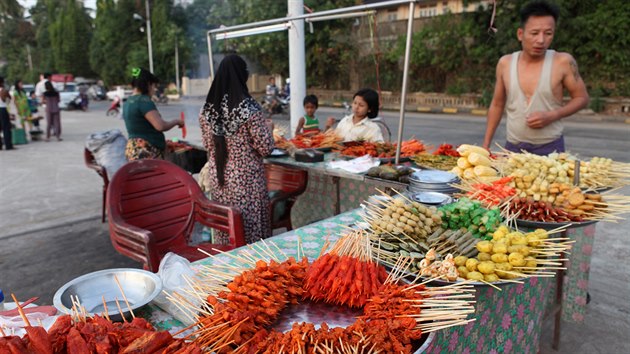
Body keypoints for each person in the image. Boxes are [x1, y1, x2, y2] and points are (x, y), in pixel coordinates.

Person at [482, 0, 589, 155]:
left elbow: (581, 98)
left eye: (548, 33)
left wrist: (552, 115)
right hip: (513, 149)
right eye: (534, 33)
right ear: (520, 34)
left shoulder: (563, 62)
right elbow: (497, 104)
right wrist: (485, 145)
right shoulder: (505, 63)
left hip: (551, 149)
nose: (541, 40)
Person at [199, 54, 274, 244]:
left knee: (227, 230)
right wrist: (269, 130)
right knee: (251, 232)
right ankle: (252, 269)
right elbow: (265, 148)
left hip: (221, 178)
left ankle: (228, 266)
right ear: (242, 76)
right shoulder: (249, 109)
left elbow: (208, 146)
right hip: (246, 180)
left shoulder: (207, 110)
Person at [123, 67, 184, 160]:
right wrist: (177, 121)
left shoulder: (128, 101)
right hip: (146, 151)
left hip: (133, 150)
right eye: (153, 86)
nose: (154, 89)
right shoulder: (143, 101)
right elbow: (160, 126)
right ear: (147, 84)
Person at [0, 77, 14, 150]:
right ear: (2, 82)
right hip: (2, 109)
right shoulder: (3, 90)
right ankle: (8, 145)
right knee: (6, 128)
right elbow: (9, 99)